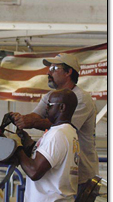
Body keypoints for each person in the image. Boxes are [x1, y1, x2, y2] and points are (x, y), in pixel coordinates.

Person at [10, 53, 99, 193]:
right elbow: (35, 115)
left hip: (80, 177)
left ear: (68, 72)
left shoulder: (82, 99)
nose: (48, 73)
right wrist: (20, 118)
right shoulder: (51, 97)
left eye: (54, 68)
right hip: (60, 174)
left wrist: (31, 122)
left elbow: (64, 125)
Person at [10, 89, 80, 202]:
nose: (46, 108)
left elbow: (34, 171)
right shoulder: (69, 132)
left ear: (62, 108)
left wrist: (17, 147)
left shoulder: (58, 134)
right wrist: (26, 141)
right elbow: (47, 158)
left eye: (50, 105)